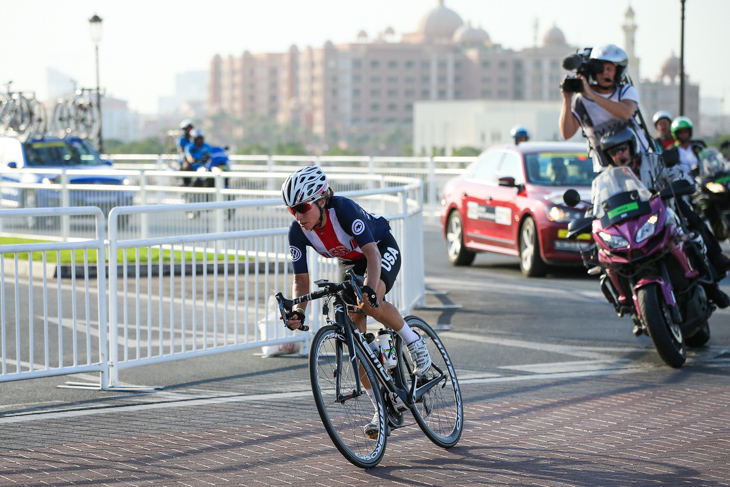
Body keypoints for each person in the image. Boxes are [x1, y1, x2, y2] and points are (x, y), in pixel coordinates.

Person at [281, 165, 432, 438]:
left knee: (368, 303)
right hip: (349, 261)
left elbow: (372, 255)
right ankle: (381, 408)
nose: (298, 215)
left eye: (302, 207)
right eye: (292, 209)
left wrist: (371, 290)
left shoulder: (343, 210)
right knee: (354, 337)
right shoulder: (297, 231)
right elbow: (301, 281)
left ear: (321, 200)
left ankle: (414, 342)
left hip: (379, 248)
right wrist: (297, 311)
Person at [598, 127, 730, 308]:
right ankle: (625, 301)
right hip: (632, 226)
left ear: (631, 146)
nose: (619, 154)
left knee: (692, 233)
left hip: (664, 211)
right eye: (613, 152)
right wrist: (592, 217)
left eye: (622, 149)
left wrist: (675, 185)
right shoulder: (607, 178)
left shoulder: (654, 161)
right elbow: (600, 206)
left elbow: (677, 175)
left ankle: (712, 288)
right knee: (605, 257)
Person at [559, 44, 651, 171]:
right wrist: (567, 100)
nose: (604, 73)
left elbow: (626, 112)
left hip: (639, 163)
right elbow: (566, 134)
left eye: (609, 69)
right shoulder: (582, 100)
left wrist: (591, 94)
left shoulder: (625, 91)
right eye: (600, 69)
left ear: (617, 71)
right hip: (607, 170)